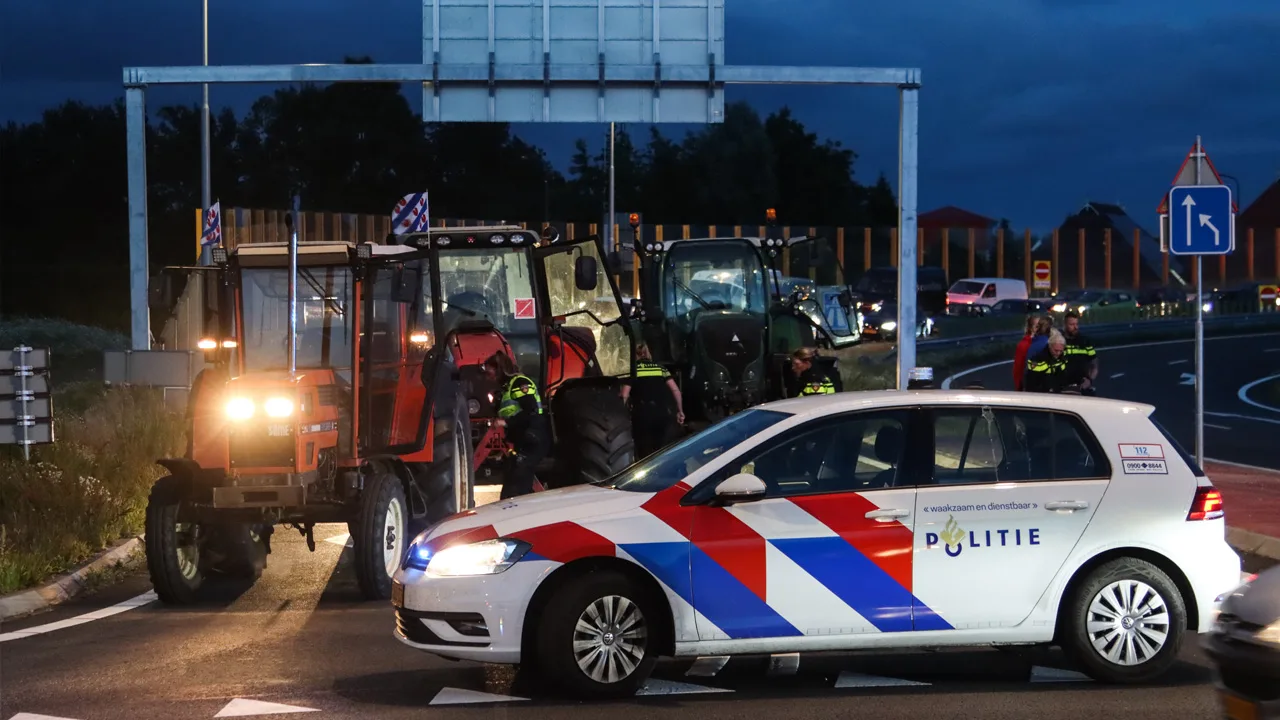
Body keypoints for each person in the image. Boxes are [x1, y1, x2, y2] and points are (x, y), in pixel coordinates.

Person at [482, 351, 550, 499]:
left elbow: (531, 411)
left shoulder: (520, 384)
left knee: (516, 488)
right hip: (521, 441)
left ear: (499, 369)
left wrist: (505, 422)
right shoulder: (505, 389)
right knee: (513, 485)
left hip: (533, 438)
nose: (488, 377)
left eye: (489, 372)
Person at [620, 344, 685, 458]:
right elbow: (676, 391)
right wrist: (680, 411)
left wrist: (621, 416)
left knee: (644, 452)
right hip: (662, 414)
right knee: (663, 448)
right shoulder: (661, 369)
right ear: (648, 353)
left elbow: (624, 395)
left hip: (641, 416)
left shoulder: (632, 371)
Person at [1062, 311, 1098, 395]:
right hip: (1063, 387)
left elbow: (1094, 363)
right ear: (1064, 325)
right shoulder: (1059, 342)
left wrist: (1089, 380)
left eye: (1076, 324)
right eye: (1072, 325)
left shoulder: (1084, 341)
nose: (1076, 327)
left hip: (1082, 387)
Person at [1012, 314, 1038, 391]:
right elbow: (1018, 368)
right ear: (1030, 328)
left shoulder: (1047, 342)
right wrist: (1019, 387)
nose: (1039, 329)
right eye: (1036, 326)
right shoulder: (1024, 345)